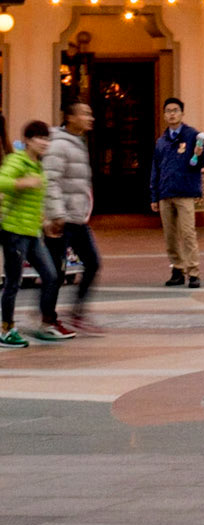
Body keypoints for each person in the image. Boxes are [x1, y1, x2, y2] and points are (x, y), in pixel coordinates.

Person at [0, 121, 71, 345]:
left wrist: (44, 222)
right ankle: (6, 328)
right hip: (13, 231)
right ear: (28, 140)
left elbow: (33, 202)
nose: (44, 143)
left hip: (32, 232)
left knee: (51, 276)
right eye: (39, 138)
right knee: (13, 282)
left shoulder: (37, 165)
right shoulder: (17, 161)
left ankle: (44, 323)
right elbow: (1, 180)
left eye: (47, 138)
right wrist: (21, 183)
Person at [45, 98, 100, 330]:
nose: (90, 118)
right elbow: (50, 181)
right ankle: (48, 319)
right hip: (61, 219)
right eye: (85, 114)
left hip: (77, 218)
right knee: (55, 272)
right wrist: (56, 215)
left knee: (93, 263)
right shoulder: (59, 144)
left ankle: (77, 313)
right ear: (70, 117)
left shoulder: (78, 141)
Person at [150, 97, 204, 288]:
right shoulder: (162, 141)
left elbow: (203, 161)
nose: (172, 114)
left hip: (185, 192)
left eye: (175, 110)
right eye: (168, 111)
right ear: (164, 114)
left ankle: (193, 272)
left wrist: (200, 156)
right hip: (166, 193)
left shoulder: (192, 135)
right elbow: (156, 169)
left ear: (182, 113)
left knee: (187, 233)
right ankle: (177, 269)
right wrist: (154, 195)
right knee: (170, 235)